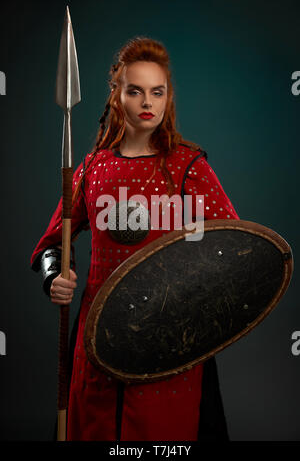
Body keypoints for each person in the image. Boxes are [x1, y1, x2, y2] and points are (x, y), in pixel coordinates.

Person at [30, 36, 239, 441]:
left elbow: (233, 248)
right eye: (135, 90)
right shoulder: (92, 168)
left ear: (167, 98)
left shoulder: (187, 166)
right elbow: (52, 243)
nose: (148, 101)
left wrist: (193, 299)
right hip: (97, 334)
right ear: (117, 97)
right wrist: (55, 275)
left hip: (169, 336)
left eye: (157, 92)